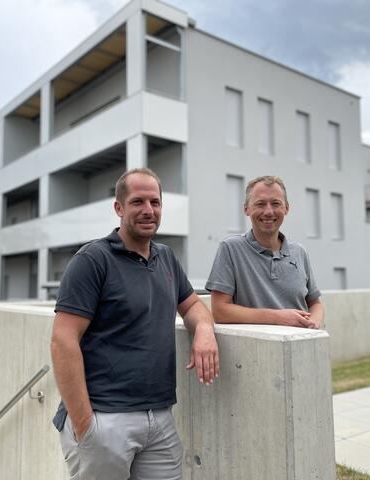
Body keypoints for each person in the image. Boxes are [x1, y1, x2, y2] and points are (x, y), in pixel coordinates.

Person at [50, 168, 219, 480]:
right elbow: (63, 340)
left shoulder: (166, 257)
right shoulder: (92, 260)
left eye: (155, 202)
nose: (148, 210)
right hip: (104, 419)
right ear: (119, 208)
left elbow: (193, 303)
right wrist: (85, 423)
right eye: (138, 202)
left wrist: (205, 330)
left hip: (160, 417)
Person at [206, 175, 324, 328]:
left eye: (276, 203)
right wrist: (278, 317)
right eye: (260, 204)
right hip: (257, 349)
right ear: (246, 209)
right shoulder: (230, 248)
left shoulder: (299, 252)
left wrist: (313, 322)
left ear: (286, 208)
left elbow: (315, 303)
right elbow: (220, 311)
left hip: (302, 346)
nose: (268, 212)